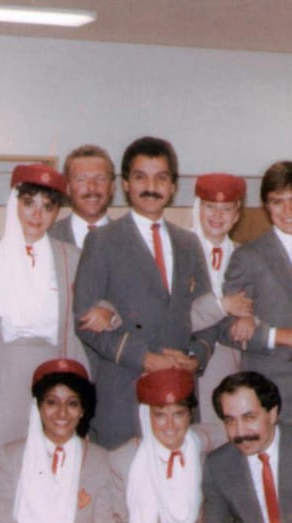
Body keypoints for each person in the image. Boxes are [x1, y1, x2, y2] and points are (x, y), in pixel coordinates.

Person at [0, 164, 96, 523]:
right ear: (14, 203)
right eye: (29, 203)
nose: (37, 214)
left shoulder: (71, 257)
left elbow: (89, 311)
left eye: (48, 207)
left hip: (53, 371)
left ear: (57, 212)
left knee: (47, 467)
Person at [73, 136, 217, 449]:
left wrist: (195, 357)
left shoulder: (189, 243)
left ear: (173, 186)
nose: (151, 187)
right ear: (125, 184)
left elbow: (207, 317)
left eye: (160, 178)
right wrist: (147, 359)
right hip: (125, 391)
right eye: (141, 177)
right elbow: (85, 322)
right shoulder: (102, 241)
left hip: (179, 393)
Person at [223, 161, 292, 423]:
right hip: (270, 392)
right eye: (277, 202)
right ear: (266, 206)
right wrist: (282, 336)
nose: (288, 210)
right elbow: (230, 329)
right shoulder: (247, 257)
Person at [202, 371, 292, 523]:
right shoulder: (217, 465)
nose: (240, 432)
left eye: (249, 418)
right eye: (230, 421)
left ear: (272, 414)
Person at [0, 358, 115, 523]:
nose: (62, 412)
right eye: (52, 402)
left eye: (72, 403)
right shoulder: (11, 457)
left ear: (83, 410)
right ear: (39, 407)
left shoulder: (100, 460)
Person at [188, 173, 253, 425]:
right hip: (189, 359)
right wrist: (222, 306)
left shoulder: (247, 256)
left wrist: (248, 315)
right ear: (198, 208)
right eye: (210, 207)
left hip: (231, 364)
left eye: (226, 209)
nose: (217, 216)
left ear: (237, 215)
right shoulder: (178, 250)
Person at [110, 368, 205, 523]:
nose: (169, 425)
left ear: (191, 414)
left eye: (178, 414)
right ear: (147, 416)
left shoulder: (203, 449)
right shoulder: (122, 461)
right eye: (160, 415)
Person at [49, 144, 117, 248]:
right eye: (82, 179)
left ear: (112, 187)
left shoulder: (130, 239)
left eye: (100, 178)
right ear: (67, 187)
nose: (92, 187)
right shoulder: (48, 237)